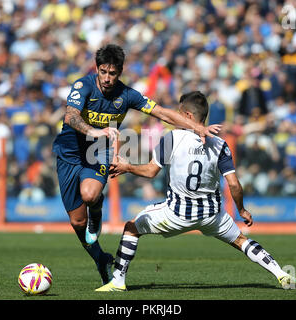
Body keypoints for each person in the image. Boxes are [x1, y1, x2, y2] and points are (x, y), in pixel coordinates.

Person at [96, 91, 296, 291]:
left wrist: (128, 167)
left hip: (177, 214)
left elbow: (151, 172)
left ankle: (118, 281)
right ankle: (282, 275)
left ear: (188, 115)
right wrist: (242, 210)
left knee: (132, 227)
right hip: (212, 216)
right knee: (241, 241)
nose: (176, 119)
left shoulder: (172, 138)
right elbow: (234, 184)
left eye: (179, 114)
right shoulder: (219, 143)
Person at [52, 45, 221, 285]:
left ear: (120, 72)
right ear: (96, 69)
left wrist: (198, 127)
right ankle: (100, 258)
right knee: (77, 222)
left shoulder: (128, 95)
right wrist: (94, 130)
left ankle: (97, 209)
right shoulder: (83, 86)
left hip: (96, 152)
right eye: (103, 72)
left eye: (112, 73)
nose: (107, 78)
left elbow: (162, 113)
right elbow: (70, 116)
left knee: (89, 196)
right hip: (68, 154)